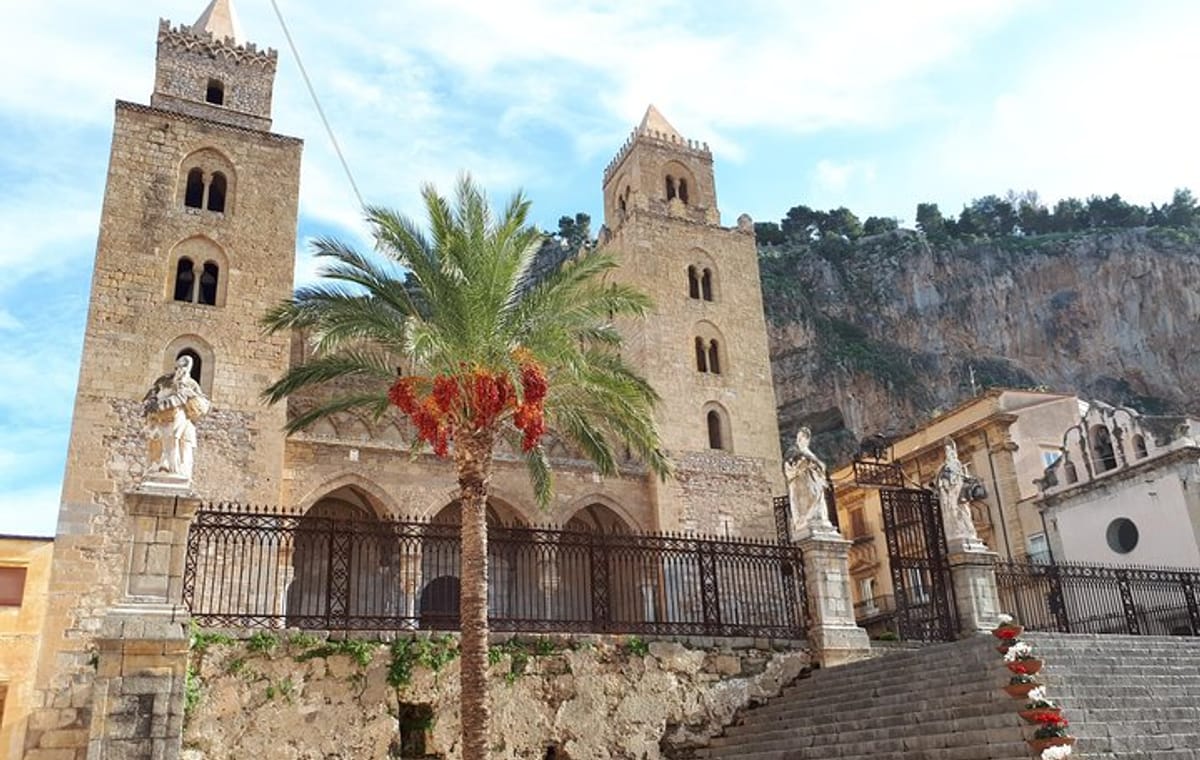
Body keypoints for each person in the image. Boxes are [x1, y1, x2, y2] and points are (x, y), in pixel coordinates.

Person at [142, 355, 210, 480]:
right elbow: (151, 395)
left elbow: (202, 403)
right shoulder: (163, 380)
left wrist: (191, 396)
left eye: (185, 366)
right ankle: (159, 466)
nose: (181, 369)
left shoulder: (191, 384)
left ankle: (172, 467)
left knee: (175, 438)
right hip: (159, 418)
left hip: (179, 417)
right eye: (180, 366)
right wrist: (152, 404)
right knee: (158, 440)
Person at [783, 427, 836, 535]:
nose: (799, 439)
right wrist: (801, 464)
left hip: (813, 481)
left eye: (802, 437)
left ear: (807, 439)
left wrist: (816, 466)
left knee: (816, 498)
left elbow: (821, 467)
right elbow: (788, 466)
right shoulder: (793, 451)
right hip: (801, 483)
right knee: (805, 502)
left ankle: (817, 519)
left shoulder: (810, 453)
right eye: (798, 437)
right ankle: (804, 520)